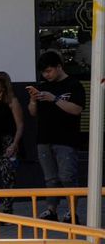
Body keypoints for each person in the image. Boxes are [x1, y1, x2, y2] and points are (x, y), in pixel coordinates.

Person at [28, 51, 85, 221]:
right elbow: (32, 113)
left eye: (49, 71)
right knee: (50, 178)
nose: (46, 75)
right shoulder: (43, 85)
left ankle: (71, 211)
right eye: (44, 72)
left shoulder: (74, 85)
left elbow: (77, 109)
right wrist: (32, 99)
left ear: (59, 67)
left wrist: (54, 99)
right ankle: (51, 209)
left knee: (67, 176)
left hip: (66, 138)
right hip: (44, 138)